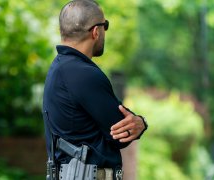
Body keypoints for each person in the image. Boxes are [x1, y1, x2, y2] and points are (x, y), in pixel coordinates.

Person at [42, 0, 148, 179]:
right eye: (105, 25)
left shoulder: (58, 69)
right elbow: (121, 134)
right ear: (96, 31)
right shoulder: (84, 74)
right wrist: (141, 122)